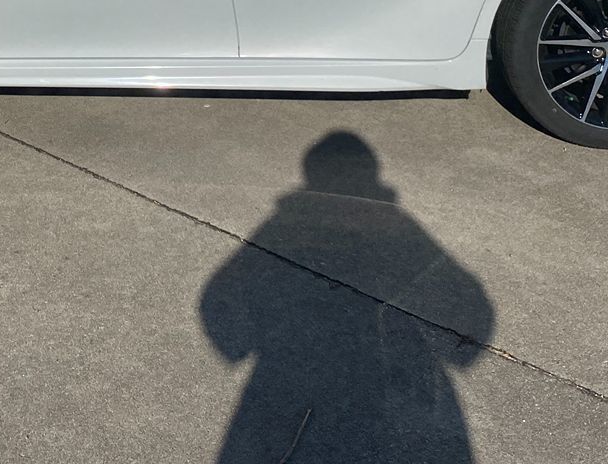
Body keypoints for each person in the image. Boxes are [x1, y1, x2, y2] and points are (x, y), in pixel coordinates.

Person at [200, 131, 494, 462]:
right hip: (392, 372)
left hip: (286, 364)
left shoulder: (291, 218)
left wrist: (238, 346)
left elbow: (221, 292)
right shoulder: (392, 220)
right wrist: (461, 354)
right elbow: (471, 300)